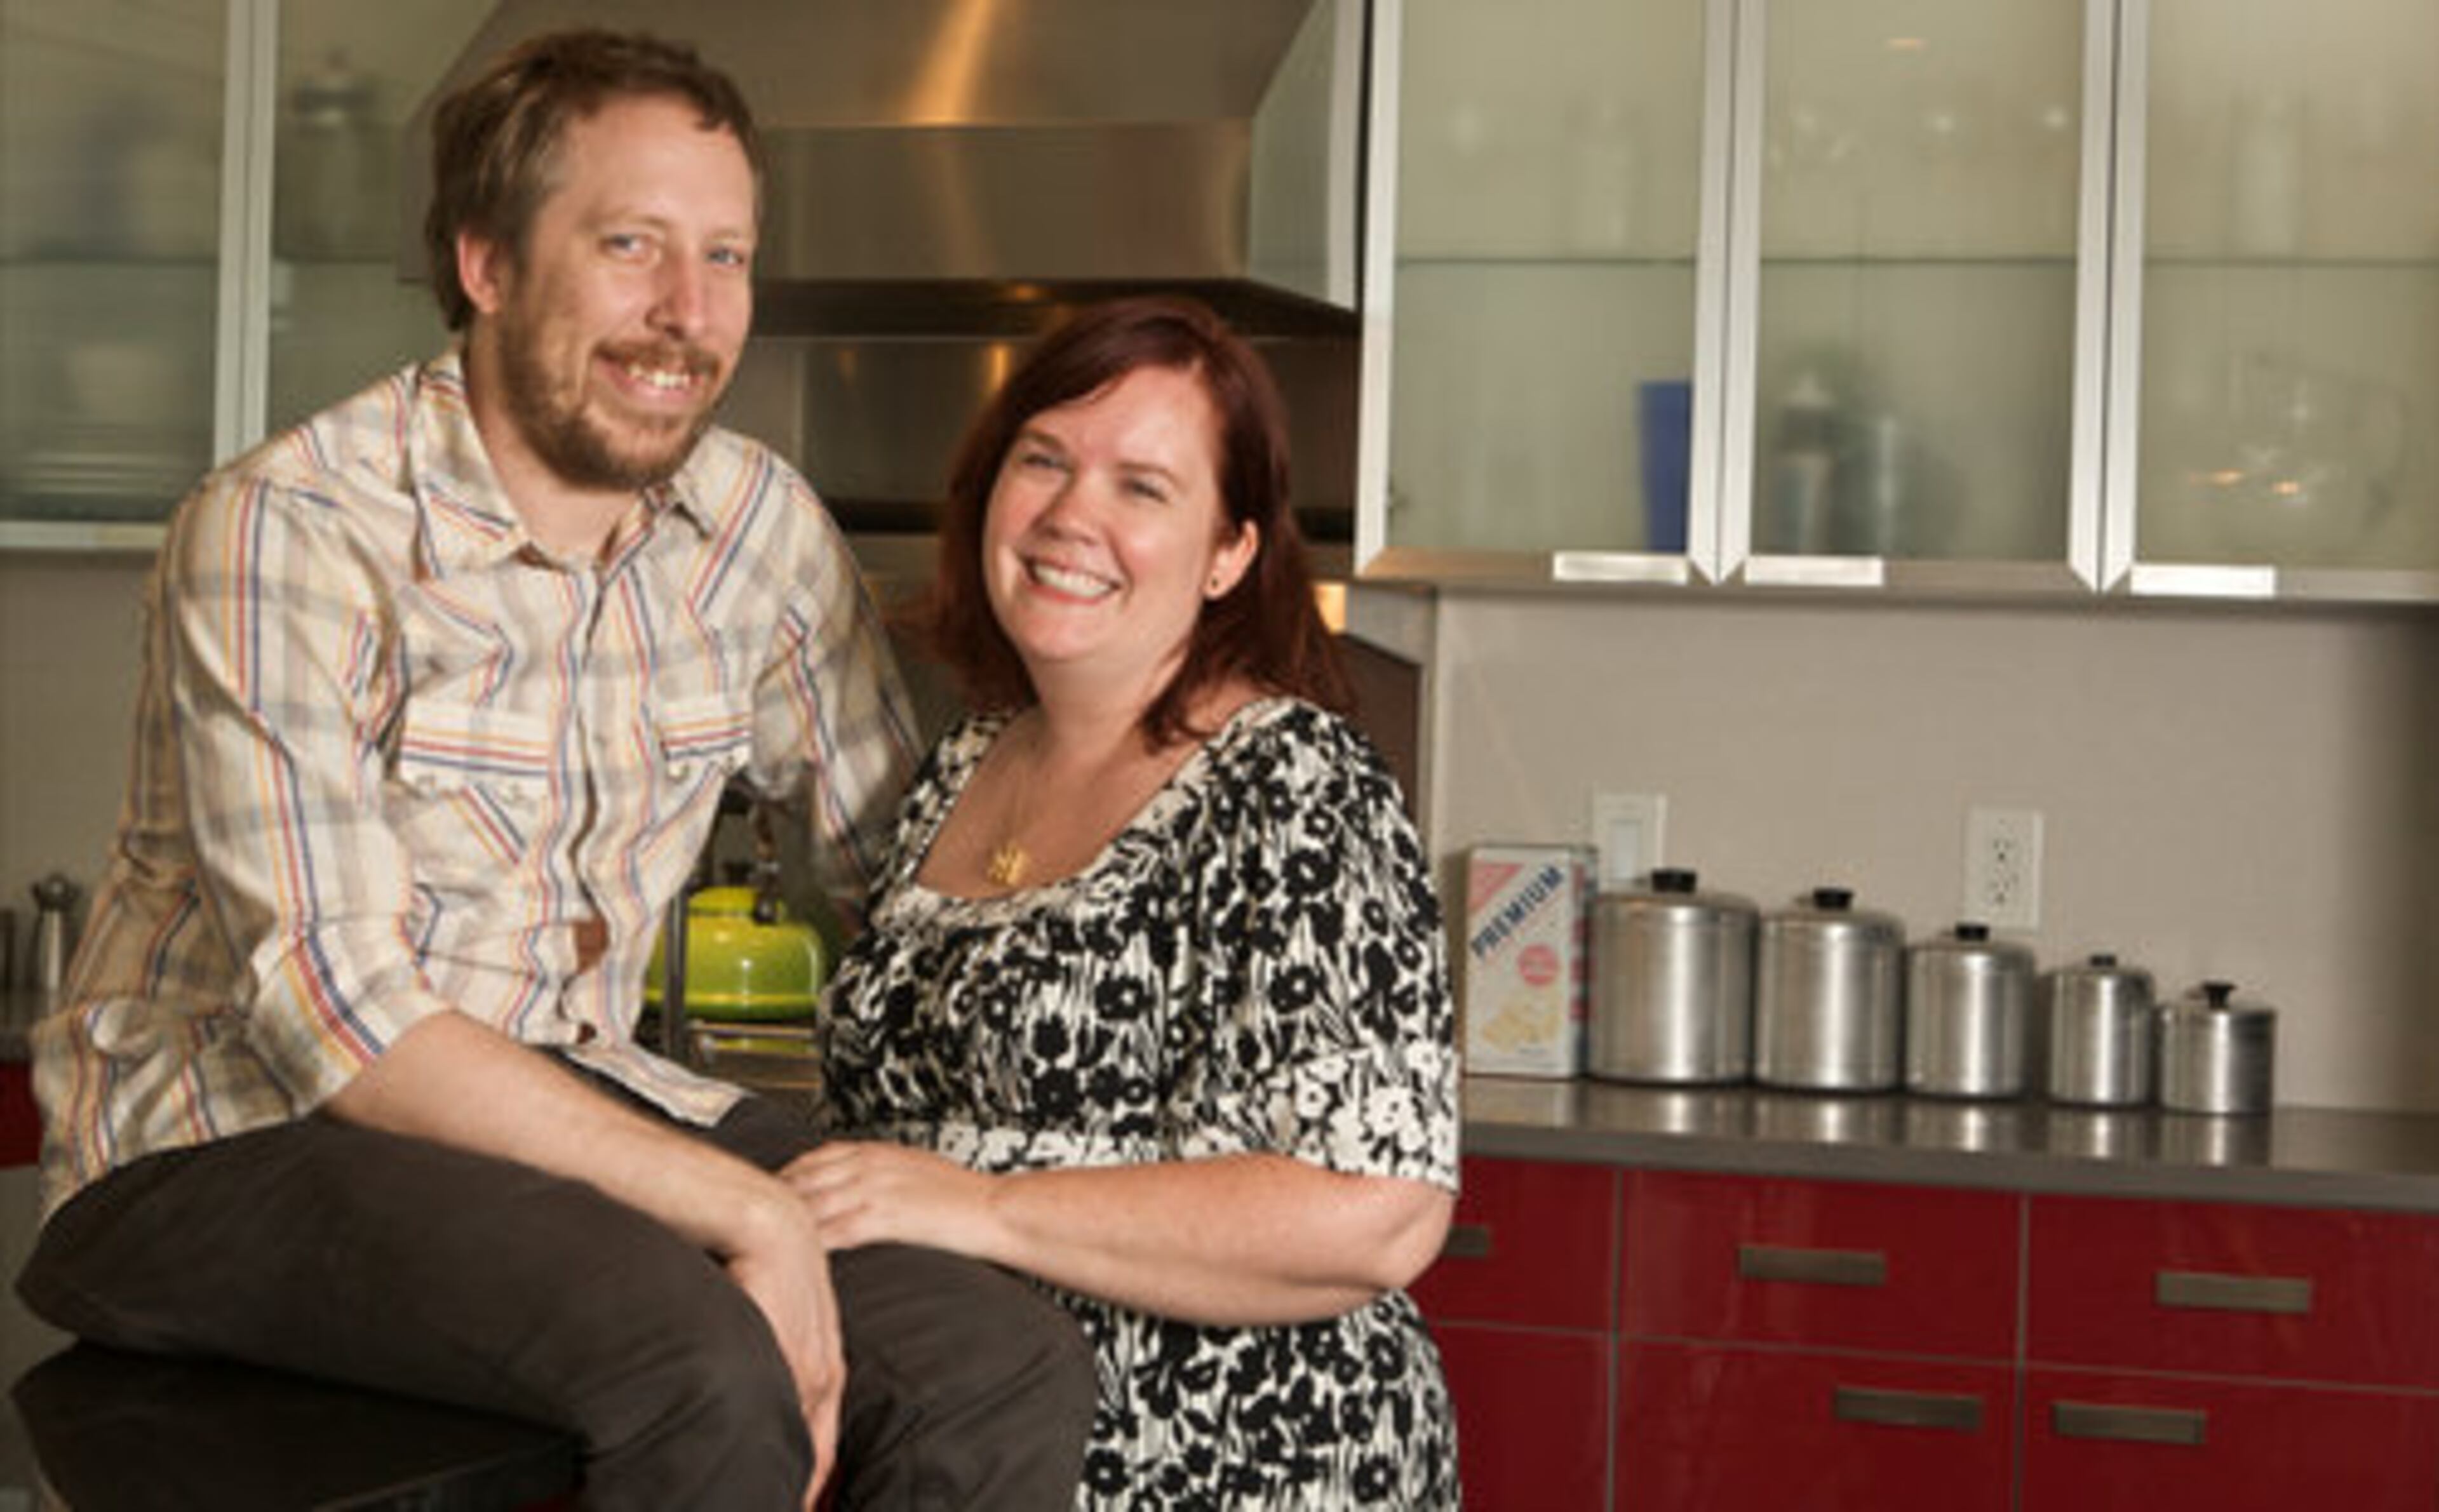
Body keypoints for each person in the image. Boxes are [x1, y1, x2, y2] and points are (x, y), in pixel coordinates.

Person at [13, 27, 1092, 1511]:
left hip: (563, 1102)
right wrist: (751, 1211)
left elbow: (901, 884)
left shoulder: (756, 529)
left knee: (997, 1356)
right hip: (221, 1143)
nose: (688, 314)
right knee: (696, 1360)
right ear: (488, 264)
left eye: (726, 256)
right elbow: (337, 1015)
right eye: (630, 244)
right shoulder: (293, 528)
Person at [796, 295, 1463, 1507]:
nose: (1071, 515)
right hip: (962, 1444)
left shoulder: (1294, 784)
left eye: (1143, 487)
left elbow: (1375, 1209)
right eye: (1043, 460)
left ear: (1229, 553)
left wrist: (984, 1207)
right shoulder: (967, 760)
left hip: (1233, 1463)